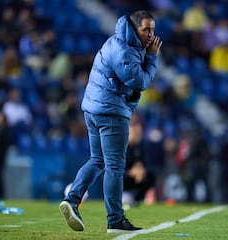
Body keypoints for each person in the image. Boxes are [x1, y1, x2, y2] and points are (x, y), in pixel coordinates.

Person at [59, 10, 162, 233]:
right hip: (110, 112)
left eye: (152, 29)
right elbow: (139, 81)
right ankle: (115, 220)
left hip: (95, 108)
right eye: (146, 29)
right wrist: (152, 57)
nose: (150, 35)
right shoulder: (125, 49)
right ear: (134, 28)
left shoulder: (120, 42)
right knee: (115, 166)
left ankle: (72, 199)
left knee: (98, 160)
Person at [124, 113, 155, 206]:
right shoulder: (119, 147)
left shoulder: (141, 146)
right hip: (122, 184)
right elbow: (111, 171)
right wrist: (131, 172)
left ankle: (139, 198)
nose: (137, 130)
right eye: (133, 126)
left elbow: (146, 164)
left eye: (137, 126)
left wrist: (141, 170)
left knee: (150, 175)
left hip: (135, 182)